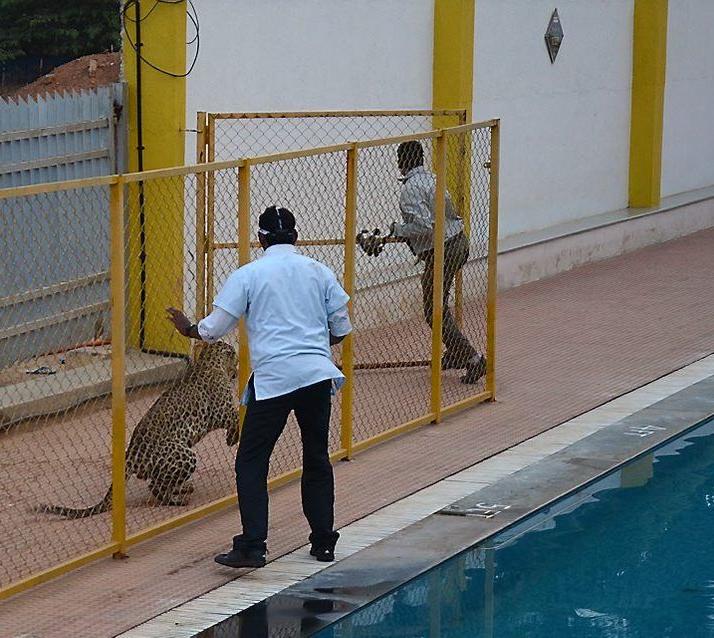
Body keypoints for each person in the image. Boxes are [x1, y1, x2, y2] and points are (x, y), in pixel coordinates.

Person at [166, 205, 352, 569]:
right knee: (316, 456)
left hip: (274, 380)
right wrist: (310, 345)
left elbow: (213, 329)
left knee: (251, 460)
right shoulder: (319, 271)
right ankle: (323, 543)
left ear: (260, 239)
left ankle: (253, 545)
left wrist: (187, 328)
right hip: (316, 375)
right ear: (296, 237)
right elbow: (341, 328)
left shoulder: (248, 275)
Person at [356, 139, 486, 384]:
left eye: (398, 160)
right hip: (457, 241)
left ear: (403, 162)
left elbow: (424, 226)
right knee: (438, 306)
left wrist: (398, 229)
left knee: (433, 311)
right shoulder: (431, 179)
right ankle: (457, 353)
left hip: (445, 250)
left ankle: (471, 358)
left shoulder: (410, 190)